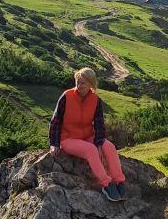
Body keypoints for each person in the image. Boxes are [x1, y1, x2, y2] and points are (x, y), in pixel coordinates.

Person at [48, 67, 127, 202]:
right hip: (68, 138)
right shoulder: (66, 97)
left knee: (109, 147)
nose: (79, 86)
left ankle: (119, 181)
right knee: (91, 150)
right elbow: (55, 121)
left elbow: (99, 124)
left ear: (91, 83)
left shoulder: (95, 100)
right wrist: (54, 144)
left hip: (88, 136)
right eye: (78, 82)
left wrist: (99, 143)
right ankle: (106, 184)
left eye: (83, 82)